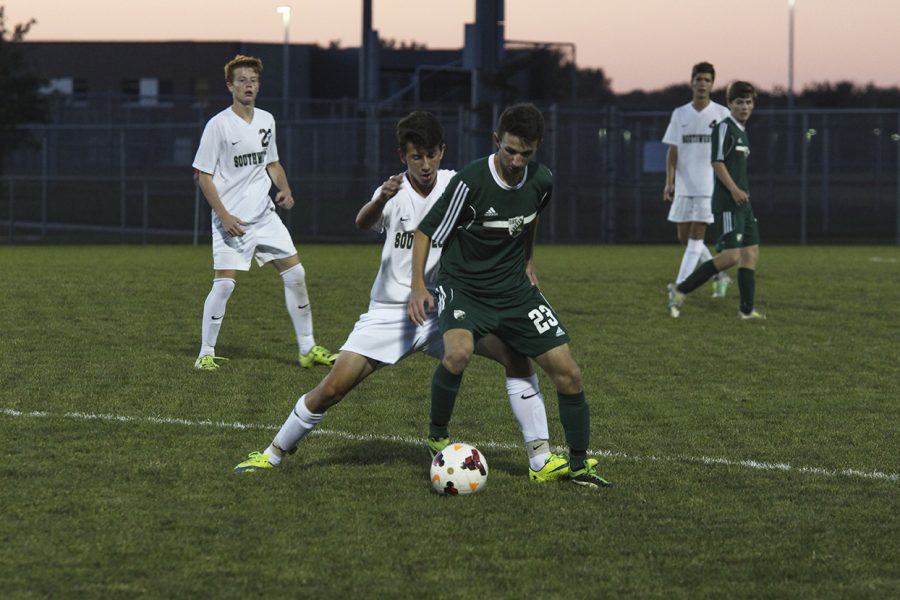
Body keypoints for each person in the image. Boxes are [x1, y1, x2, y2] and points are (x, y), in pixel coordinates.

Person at [234, 111, 578, 483]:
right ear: (403, 156)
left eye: (432, 155)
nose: (426, 165)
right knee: (332, 389)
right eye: (417, 157)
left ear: (442, 152)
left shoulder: (457, 184)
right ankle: (273, 452)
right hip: (389, 313)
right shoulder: (394, 190)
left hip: (446, 306)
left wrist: (524, 261)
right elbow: (362, 223)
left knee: (515, 354)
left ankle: (540, 458)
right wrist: (380, 199)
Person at [408, 103, 612, 489]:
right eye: (510, 151)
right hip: (464, 286)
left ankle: (578, 465)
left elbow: (528, 221)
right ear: (496, 141)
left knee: (569, 374)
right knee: (457, 353)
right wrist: (419, 286)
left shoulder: (542, 181)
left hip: (514, 291)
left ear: (538, 148)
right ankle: (437, 433)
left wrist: (529, 262)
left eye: (526, 153)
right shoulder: (470, 182)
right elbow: (426, 231)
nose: (517, 161)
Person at [191, 55, 336, 370]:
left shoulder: (267, 120)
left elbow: (272, 163)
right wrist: (224, 216)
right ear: (230, 86)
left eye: (253, 80)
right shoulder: (217, 125)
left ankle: (308, 349)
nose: (248, 85)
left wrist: (285, 189)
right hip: (234, 221)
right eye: (241, 80)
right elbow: (202, 175)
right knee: (225, 284)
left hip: (265, 217)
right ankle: (205, 353)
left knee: (296, 274)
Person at [667, 81, 766, 320]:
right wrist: (733, 190)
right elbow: (717, 162)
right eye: (739, 102)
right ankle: (680, 290)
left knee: (751, 252)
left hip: (743, 201)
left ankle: (746, 310)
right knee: (731, 256)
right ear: (730, 104)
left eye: (749, 102)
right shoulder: (725, 127)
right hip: (729, 202)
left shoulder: (742, 129)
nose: (744, 107)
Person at [662, 61, 733, 311]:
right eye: (698, 79)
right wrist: (669, 182)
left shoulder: (722, 114)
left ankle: (679, 289)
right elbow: (673, 151)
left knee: (695, 237)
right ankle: (718, 275)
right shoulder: (680, 114)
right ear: (691, 82)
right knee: (684, 238)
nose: (702, 84)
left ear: (712, 84)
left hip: (708, 187)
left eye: (707, 80)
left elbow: (730, 152)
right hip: (683, 186)